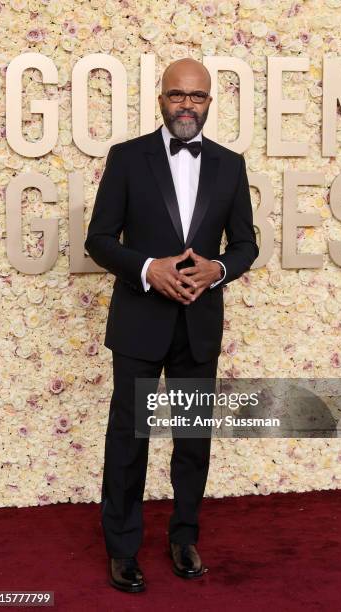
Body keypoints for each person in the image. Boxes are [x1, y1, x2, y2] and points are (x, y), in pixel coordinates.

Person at [84, 57, 259, 593]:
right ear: (160, 99)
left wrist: (220, 269)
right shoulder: (127, 157)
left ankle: (184, 537)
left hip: (199, 325)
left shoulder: (230, 165)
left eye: (198, 96)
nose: (187, 104)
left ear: (210, 101)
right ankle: (122, 547)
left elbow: (246, 245)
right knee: (128, 438)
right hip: (140, 323)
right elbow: (99, 238)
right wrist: (146, 268)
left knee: (192, 440)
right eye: (177, 95)